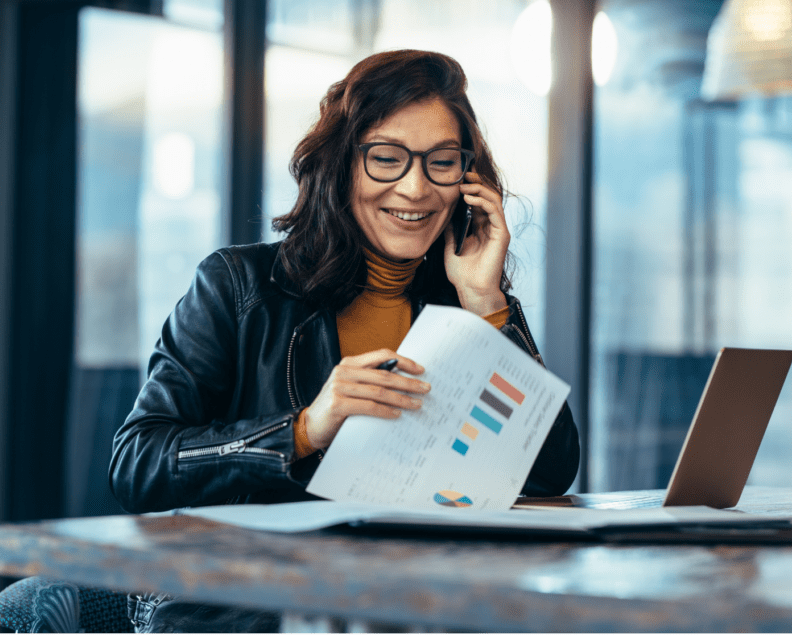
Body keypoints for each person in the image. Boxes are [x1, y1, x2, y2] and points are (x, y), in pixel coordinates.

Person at [110, 48, 579, 514]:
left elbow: (548, 472)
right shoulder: (239, 286)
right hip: (261, 580)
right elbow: (137, 464)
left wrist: (485, 303)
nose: (416, 188)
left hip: (414, 580)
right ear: (341, 167)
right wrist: (304, 430)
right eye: (387, 157)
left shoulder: (464, 299)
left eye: (441, 161)